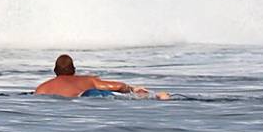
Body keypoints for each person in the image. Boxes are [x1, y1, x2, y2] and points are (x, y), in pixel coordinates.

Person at [35, 54, 166, 99]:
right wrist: (133, 89)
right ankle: (158, 96)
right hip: (87, 96)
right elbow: (118, 86)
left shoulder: (42, 89)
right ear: (74, 70)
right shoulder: (88, 80)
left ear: (54, 70)